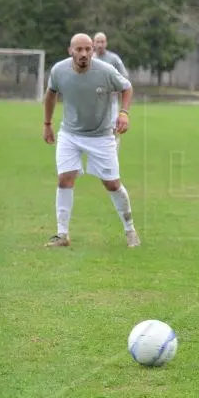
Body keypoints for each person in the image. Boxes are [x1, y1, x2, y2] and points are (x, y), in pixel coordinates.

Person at [43, 33, 139, 248]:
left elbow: (127, 87)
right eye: (79, 49)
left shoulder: (105, 71)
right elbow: (50, 94)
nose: (84, 53)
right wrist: (47, 124)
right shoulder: (59, 70)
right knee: (64, 179)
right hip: (70, 134)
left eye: (88, 49)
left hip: (101, 135)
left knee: (112, 184)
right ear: (71, 51)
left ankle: (130, 229)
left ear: (93, 51)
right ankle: (62, 234)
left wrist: (124, 113)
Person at [93, 32, 129, 147]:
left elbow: (124, 77)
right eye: (97, 42)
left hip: (110, 102)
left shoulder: (113, 59)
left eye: (102, 42)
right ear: (93, 43)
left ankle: (113, 153)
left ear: (106, 43)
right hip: (94, 103)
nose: (100, 44)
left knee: (112, 130)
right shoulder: (90, 59)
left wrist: (114, 89)